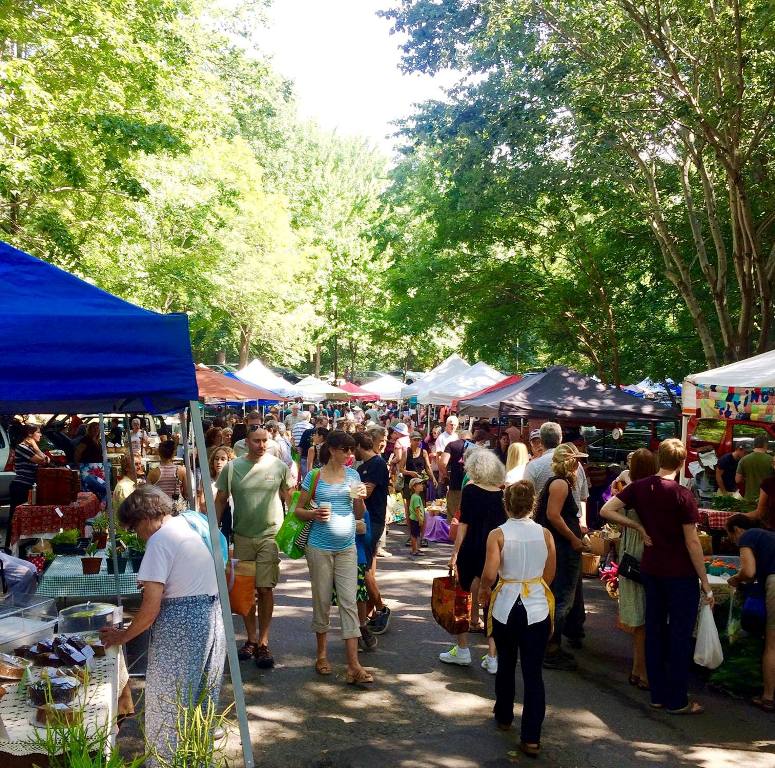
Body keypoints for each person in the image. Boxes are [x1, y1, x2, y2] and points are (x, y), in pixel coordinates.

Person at [101, 485, 225, 768]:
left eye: (135, 528)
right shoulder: (187, 525)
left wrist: (123, 636)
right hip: (209, 618)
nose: (137, 535)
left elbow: (149, 610)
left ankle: (166, 763)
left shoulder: (160, 540)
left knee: (168, 703)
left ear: (146, 518)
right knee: (199, 701)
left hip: (182, 628)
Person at [600, 438, 714, 715]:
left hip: (652, 569)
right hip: (680, 572)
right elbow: (692, 542)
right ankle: (677, 699)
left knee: (654, 630)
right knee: (679, 634)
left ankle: (658, 694)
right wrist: (705, 581)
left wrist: (636, 526)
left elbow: (606, 510)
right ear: (682, 462)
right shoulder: (682, 495)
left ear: (659, 458)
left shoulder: (640, 487)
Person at [478, 480, 555, 757]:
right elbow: (550, 572)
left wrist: (484, 591)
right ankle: (532, 737)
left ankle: (504, 714)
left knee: (507, 662)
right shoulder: (545, 533)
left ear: (507, 504)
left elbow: (489, 574)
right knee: (533, 673)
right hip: (537, 606)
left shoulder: (498, 534)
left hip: (506, 605)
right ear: (533, 504)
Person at [294, 431, 374, 684]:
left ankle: (353, 665)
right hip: (319, 547)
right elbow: (297, 510)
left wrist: (360, 498)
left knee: (349, 602)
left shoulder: (353, 475)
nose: (350, 455)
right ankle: (321, 655)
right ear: (332, 450)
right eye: (345, 450)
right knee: (322, 600)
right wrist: (314, 514)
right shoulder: (314, 476)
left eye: (352, 450)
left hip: (347, 547)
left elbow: (359, 513)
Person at [215, 426, 290, 668]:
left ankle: (264, 642)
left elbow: (290, 497)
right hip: (243, 536)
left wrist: (299, 527)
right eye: (256, 440)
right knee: (246, 589)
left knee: (265, 588)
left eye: (264, 440)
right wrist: (211, 530)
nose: (261, 445)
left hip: (270, 535)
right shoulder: (232, 468)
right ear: (246, 442)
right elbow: (220, 499)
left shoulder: (278, 466)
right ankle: (251, 639)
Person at [441, 448, 506, 670]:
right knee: (492, 601)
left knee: (462, 597)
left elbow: (463, 525)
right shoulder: (501, 493)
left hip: (470, 548)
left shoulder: (470, 490)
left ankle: (462, 649)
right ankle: (492, 656)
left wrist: (455, 553)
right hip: (493, 550)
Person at [601, 448, 657, 689]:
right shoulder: (649, 490)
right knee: (645, 617)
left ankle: (637, 668)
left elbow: (606, 510)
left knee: (638, 615)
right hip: (645, 550)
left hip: (630, 551)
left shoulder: (630, 489)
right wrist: (638, 527)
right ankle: (642, 672)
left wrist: (631, 525)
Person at [532, 443, 590, 671]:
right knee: (561, 597)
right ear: (571, 462)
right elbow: (553, 515)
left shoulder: (559, 482)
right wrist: (573, 539)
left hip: (560, 547)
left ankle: (550, 645)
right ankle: (551, 649)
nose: (579, 465)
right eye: (577, 460)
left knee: (560, 596)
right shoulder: (560, 484)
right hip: (562, 549)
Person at [725, 514, 775, 712]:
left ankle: (768, 697)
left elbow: (748, 572)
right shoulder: (769, 536)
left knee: (772, 645)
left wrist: (736, 579)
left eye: (731, 537)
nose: (734, 542)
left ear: (737, 530)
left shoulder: (748, 536)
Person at [354, 432, 392, 635]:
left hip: (374, 519)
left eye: (352, 448)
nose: (351, 452)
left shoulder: (377, 463)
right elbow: (360, 491)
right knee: (367, 564)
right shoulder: (361, 468)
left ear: (360, 446)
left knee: (364, 567)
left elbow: (365, 492)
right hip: (363, 520)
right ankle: (371, 608)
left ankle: (381, 607)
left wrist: (350, 490)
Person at [7, 424, 50, 546]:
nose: (40, 434)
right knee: (15, 518)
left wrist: (37, 450)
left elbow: (47, 460)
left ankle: (23, 545)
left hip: (29, 487)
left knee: (27, 517)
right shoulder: (22, 447)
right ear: (30, 434)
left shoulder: (30, 448)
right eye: (38, 432)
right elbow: (42, 460)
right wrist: (36, 448)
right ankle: (10, 546)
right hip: (20, 487)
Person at [438, 429, 474, 522]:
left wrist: (446, 475)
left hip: (455, 484)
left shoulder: (452, 445)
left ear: (459, 436)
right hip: (473, 487)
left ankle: (454, 530)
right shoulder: (476, 447)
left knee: (454, 515)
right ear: (470, 437)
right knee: (469, 516)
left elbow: (443, 463)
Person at [146, 439, 189, 508]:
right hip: (177, 508)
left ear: (159, 453)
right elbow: (187, 493)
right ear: (173, 453)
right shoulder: (182, 470)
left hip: (160, 508)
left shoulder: (152, 473)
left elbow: (148, 494)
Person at [399, 432, 435, 512]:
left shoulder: (424, 452)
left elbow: (428, 467)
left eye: (419, 440)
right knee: (410, 507)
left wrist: (433, 479)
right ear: (410, 440)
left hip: (421, 483)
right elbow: (401, 469)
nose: (417, 442)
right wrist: (410, 473)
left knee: (421, 505)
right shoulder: (406, 452)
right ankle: (409, 520)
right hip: (409, 483)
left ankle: (421, 520)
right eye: (415, 440)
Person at [735, 433, 774, 502]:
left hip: (749, 499)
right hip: (766, 499)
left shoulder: (744, 459)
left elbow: (737, 480)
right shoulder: (772, 460)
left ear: (754, 444)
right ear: (765, 444)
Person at [74, 422, 107, 500]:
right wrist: (78, 465)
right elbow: (77, 453)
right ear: (89, 429)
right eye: (94, 428)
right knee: (90, 490)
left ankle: (100, 503)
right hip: (87, 468)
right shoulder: (86, 439)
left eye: (97, 428)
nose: (96, 430)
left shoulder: (97, 440)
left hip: (98, 469)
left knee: (100, 489)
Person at [407, 476, 426, 556]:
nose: (422, 486)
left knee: (415, 534)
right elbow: (417, 509)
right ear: (414, 487)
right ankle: (414, 550)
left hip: (414, 519)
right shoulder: (416, 497)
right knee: (414, 535)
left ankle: (415, 549)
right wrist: (420, 519)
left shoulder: (415, 496)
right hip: (416, 519)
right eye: (419, 484)